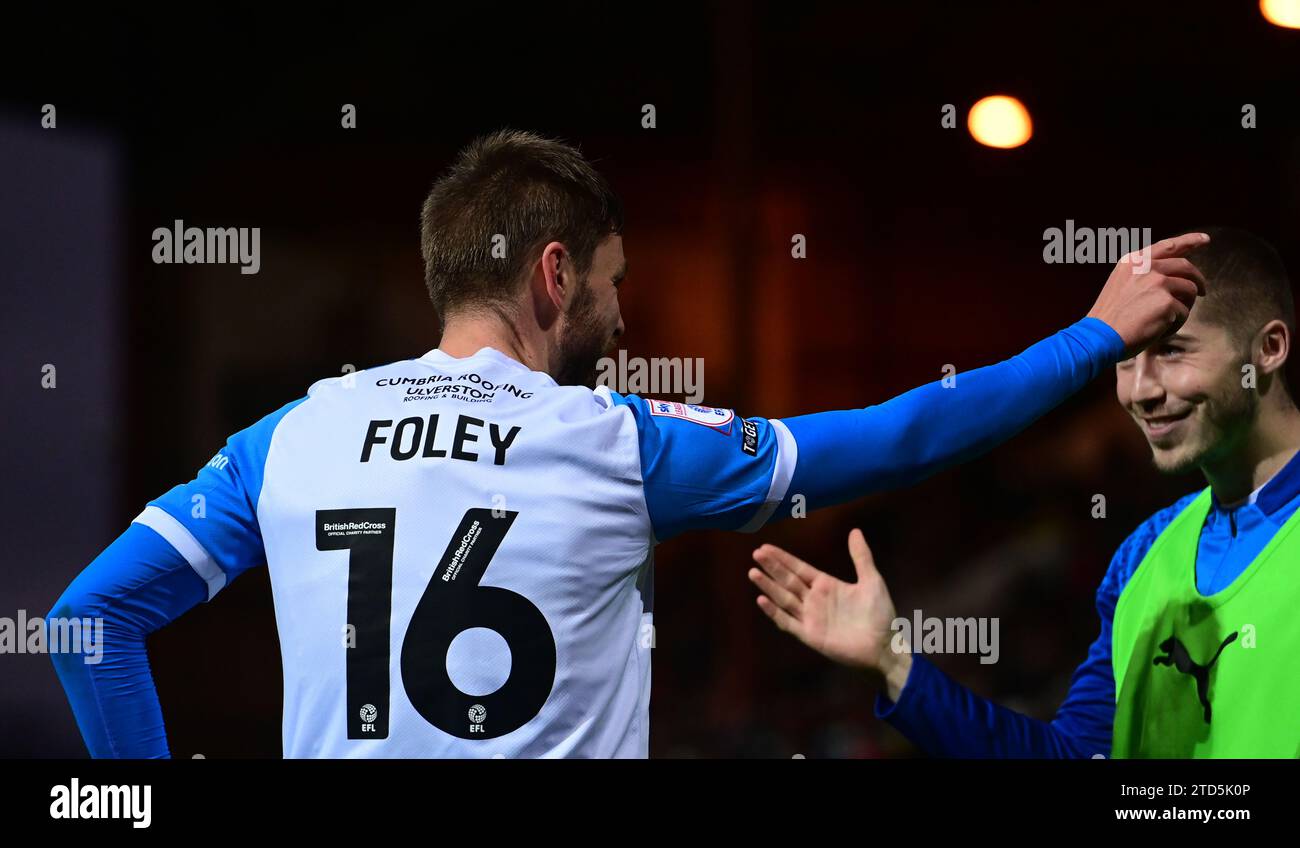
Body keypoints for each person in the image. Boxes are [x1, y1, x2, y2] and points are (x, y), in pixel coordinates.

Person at [48, 130, 1206, 758]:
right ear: (554, 274)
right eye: (612, 284)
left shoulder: (287, 438)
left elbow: (91, 621)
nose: (622, 315)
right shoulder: (613, 443)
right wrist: (1091, 336)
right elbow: (898, 438)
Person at [749, 227, 1299, 757]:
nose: (1140, 391)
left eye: (1173, 351)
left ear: (1269, 348)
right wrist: (896, 666)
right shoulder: (1143, 557)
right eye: (1126, 359)